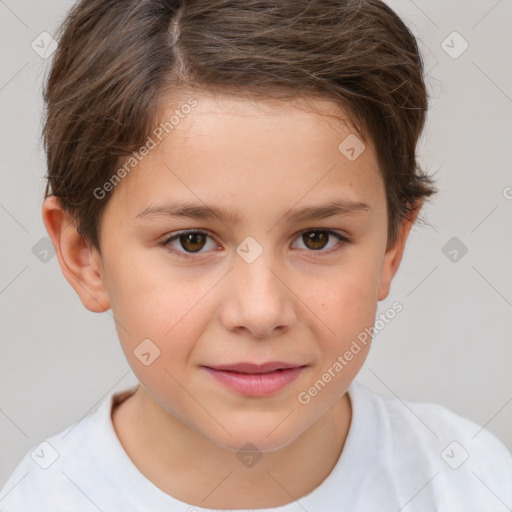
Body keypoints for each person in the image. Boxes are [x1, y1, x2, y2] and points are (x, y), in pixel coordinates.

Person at [1, 0, 511, 510]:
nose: (261, 312)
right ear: (84, 255)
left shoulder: (471, 483)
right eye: (192, 241)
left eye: (317, 238)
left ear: (391, 245)